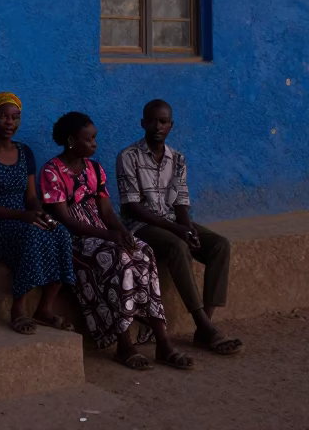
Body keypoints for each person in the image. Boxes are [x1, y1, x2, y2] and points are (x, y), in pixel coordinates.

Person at [41, 111, 194, 371]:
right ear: (70, 140)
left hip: (102, 233)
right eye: (89, 139)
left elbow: (107, 212)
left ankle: (163, 342)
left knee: (143, 252)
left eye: (95, 139)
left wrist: (123, 234)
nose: (94, 144)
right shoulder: (52, 172)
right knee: (119, 259)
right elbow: (66, 220)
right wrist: (108, 237)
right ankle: (124, 345)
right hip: (75, 240)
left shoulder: (94, 168)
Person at [117, 99, 243, 356]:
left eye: (163, 122)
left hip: (172, 221)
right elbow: (131, 207)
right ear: (142, 123)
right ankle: (204, 325)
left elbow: (181, 200)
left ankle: (203, 327)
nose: (157, 126)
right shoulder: (128, 156)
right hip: (141, 226)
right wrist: (178, 232)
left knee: (220, 245)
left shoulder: (178, 158)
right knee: (177, 246)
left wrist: (188, 229)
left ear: (171, 126)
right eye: (151, 120)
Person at [0, 92, 76, 335]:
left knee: (61, 234)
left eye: (15, 117)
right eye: (3, 117)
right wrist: (23, 217)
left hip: (23, 220)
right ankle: (18, 308)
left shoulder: (25, 152)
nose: (9, 123)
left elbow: (31, 198)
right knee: (31, 236)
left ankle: (44, 309)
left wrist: (40, 215)